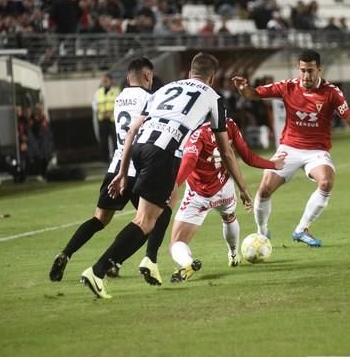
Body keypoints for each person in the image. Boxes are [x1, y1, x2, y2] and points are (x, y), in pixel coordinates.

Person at [80, 52, 253, 300]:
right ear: (212, 78)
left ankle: (149, 260)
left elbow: (132, 130)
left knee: (164, 206)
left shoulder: (165, 88)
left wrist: (122, 171)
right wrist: (243, 188)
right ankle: (98, 271)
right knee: (144, 222)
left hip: (138, 148)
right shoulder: (213, 98)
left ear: (190, 73)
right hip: (163, 152)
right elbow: (226, 151)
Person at [231, 49, 350, 247]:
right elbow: (252, 94)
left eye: (310, 71)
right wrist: (243, 88)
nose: (306, 75)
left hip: (316, 152)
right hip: (289, 148)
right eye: (303, 70)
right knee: (264, 190)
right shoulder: (287, 87)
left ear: (319, 70)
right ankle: (262, 233)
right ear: (298, 69)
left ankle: (301, 229)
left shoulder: (332, 93)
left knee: (326, 182)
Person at [50, 58, 172, 283]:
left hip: (115, 167)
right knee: (150, 220)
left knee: (99, 219)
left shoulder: (118, 98)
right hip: (138, 169)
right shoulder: (151, 98)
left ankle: (65, 253)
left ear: (128, 78)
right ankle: (129, 261)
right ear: (148, 76)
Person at [169, 118, 285, 282]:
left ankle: (187, 263)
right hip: (225, 189)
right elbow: (247, 157)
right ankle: (233, 254)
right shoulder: (229, 124)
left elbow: (189, 161)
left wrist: (175, 184)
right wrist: (272, 164)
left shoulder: (196, 133)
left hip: (199, 194)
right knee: (229, 217)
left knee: (177, 242)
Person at [92, 73, 121, 163]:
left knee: (115, 139)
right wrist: (101, 112)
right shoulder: (98, 92)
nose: (105, 82)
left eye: (106, 80)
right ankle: (104, 159)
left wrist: (111, 112)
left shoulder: (117, 91)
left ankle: (116, 158)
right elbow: (94, 105)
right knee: (103, 140)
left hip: (113, 119)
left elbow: (120, 104)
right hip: (102, 119)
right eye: (103, 81)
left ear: (111, 81)